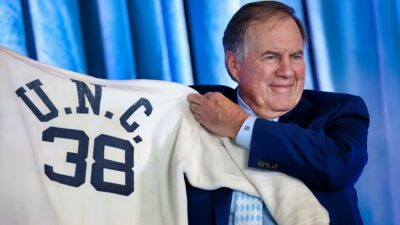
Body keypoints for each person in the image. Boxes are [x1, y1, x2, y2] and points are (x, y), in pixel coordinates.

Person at [186, 1, 369, 225]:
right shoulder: (197, 105)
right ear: (234, 65)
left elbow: (338, 167)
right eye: (271, 57)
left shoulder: (339, 110)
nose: (287, 71)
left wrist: (241, 126)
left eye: (295, 56)